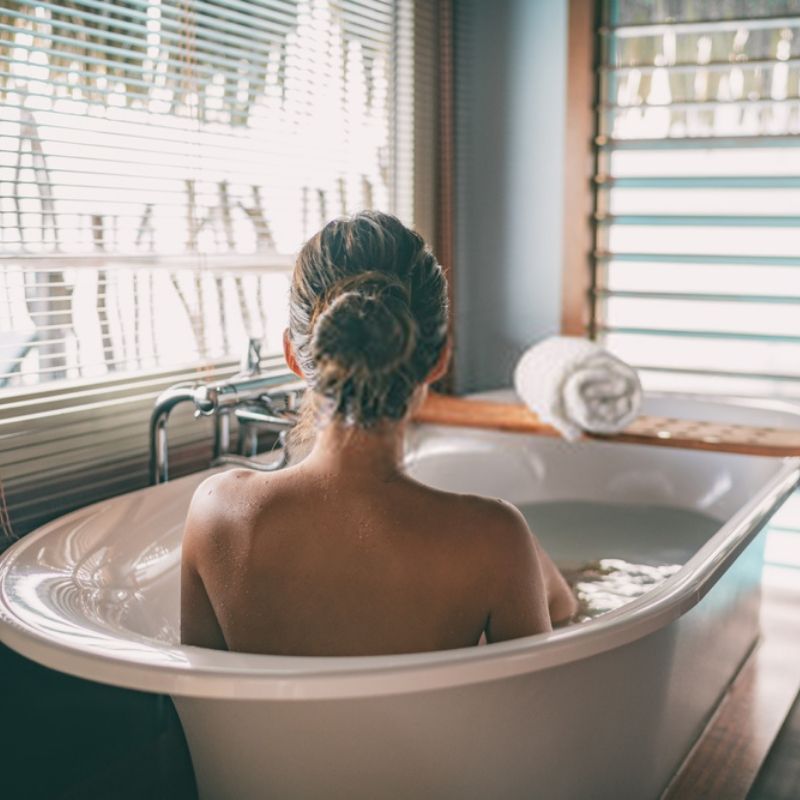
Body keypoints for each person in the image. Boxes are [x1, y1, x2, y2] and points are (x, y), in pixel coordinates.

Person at [181, 211, 577, 655]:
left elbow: (198, 686)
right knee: (560, 591)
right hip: (434, 726)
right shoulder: (494, 537)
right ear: (439, 358)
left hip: (255, 729)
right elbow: (531, 707)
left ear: (293, 356)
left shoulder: (216, 512)